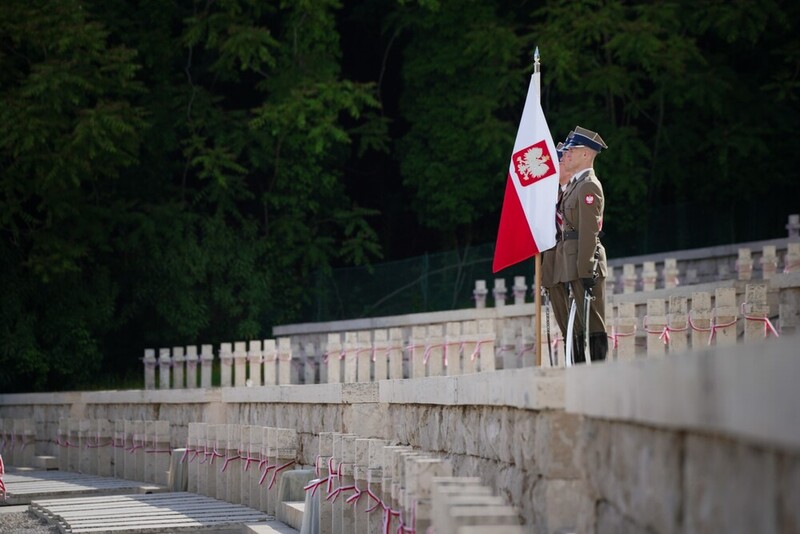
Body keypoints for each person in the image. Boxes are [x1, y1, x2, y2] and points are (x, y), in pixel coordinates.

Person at [556, 126, 608, 363]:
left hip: (583, 262)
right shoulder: (577, 185)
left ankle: (599, 371)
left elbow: (588, 232)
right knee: (577, 325)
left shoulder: (588, 185)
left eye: (573, 150)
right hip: (572, 260)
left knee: (594, 322)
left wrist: (587, 269)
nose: (568, 155)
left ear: (586, 154)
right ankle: (579, 372)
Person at [540, 141, 570, 360]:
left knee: (577, 325)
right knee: (564, 323)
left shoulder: (573, 191)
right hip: (553, 268)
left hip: (570, 263)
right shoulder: (551, 195)